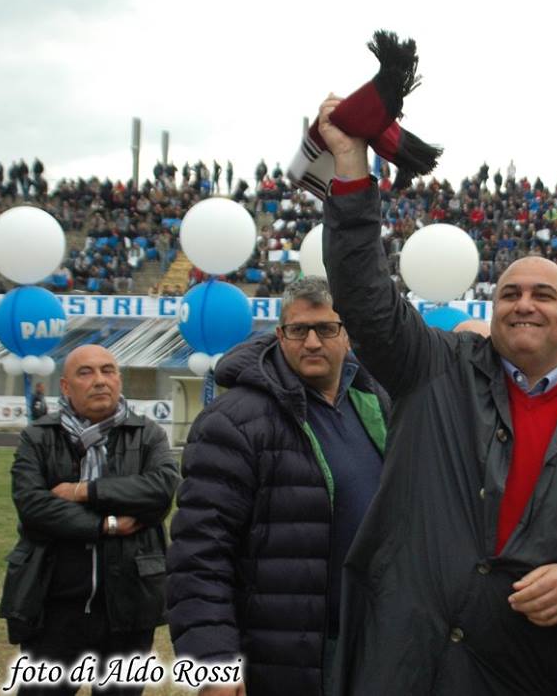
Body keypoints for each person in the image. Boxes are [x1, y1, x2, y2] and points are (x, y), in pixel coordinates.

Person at [317, 94, 557, 695]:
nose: (524, 303)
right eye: (509, 294)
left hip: (512, 673)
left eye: (542, 294)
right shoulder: (435, 368)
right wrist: (352, 170)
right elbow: (366, 299)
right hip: (397, 661)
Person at [167, 277, 390, 696]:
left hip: (376, 649)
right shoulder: (233, 422)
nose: (311, 342)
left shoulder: (376, 404)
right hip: (285, 660)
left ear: (347, 335)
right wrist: (212, 663)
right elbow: (199, 554)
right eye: (298, 329)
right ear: (279, 335)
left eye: (325, 329)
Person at [0, 344, 179, 695]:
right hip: (54, 608)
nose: (100, 380)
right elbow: (32, 505)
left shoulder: (148, 434)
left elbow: (159, 492)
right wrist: (105, 525)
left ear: (119, 379)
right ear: (65, 387)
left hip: (129, 605)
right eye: (86, 373)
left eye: (108, 370)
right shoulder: (38, 436)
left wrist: (85, 492)